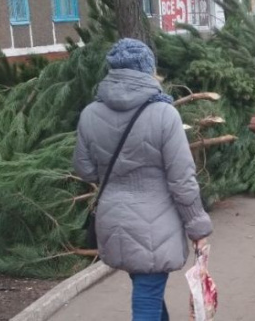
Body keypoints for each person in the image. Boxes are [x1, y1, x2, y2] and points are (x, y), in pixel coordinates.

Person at [74, 38, 212, 321]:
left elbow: (85, 170)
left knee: (147, 288)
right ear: (148, 69)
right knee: (147, 297)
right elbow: (181, 179)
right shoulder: (164, 114)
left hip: (114, 220)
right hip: (156, 222)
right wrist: (197, 226)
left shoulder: (89, 114)